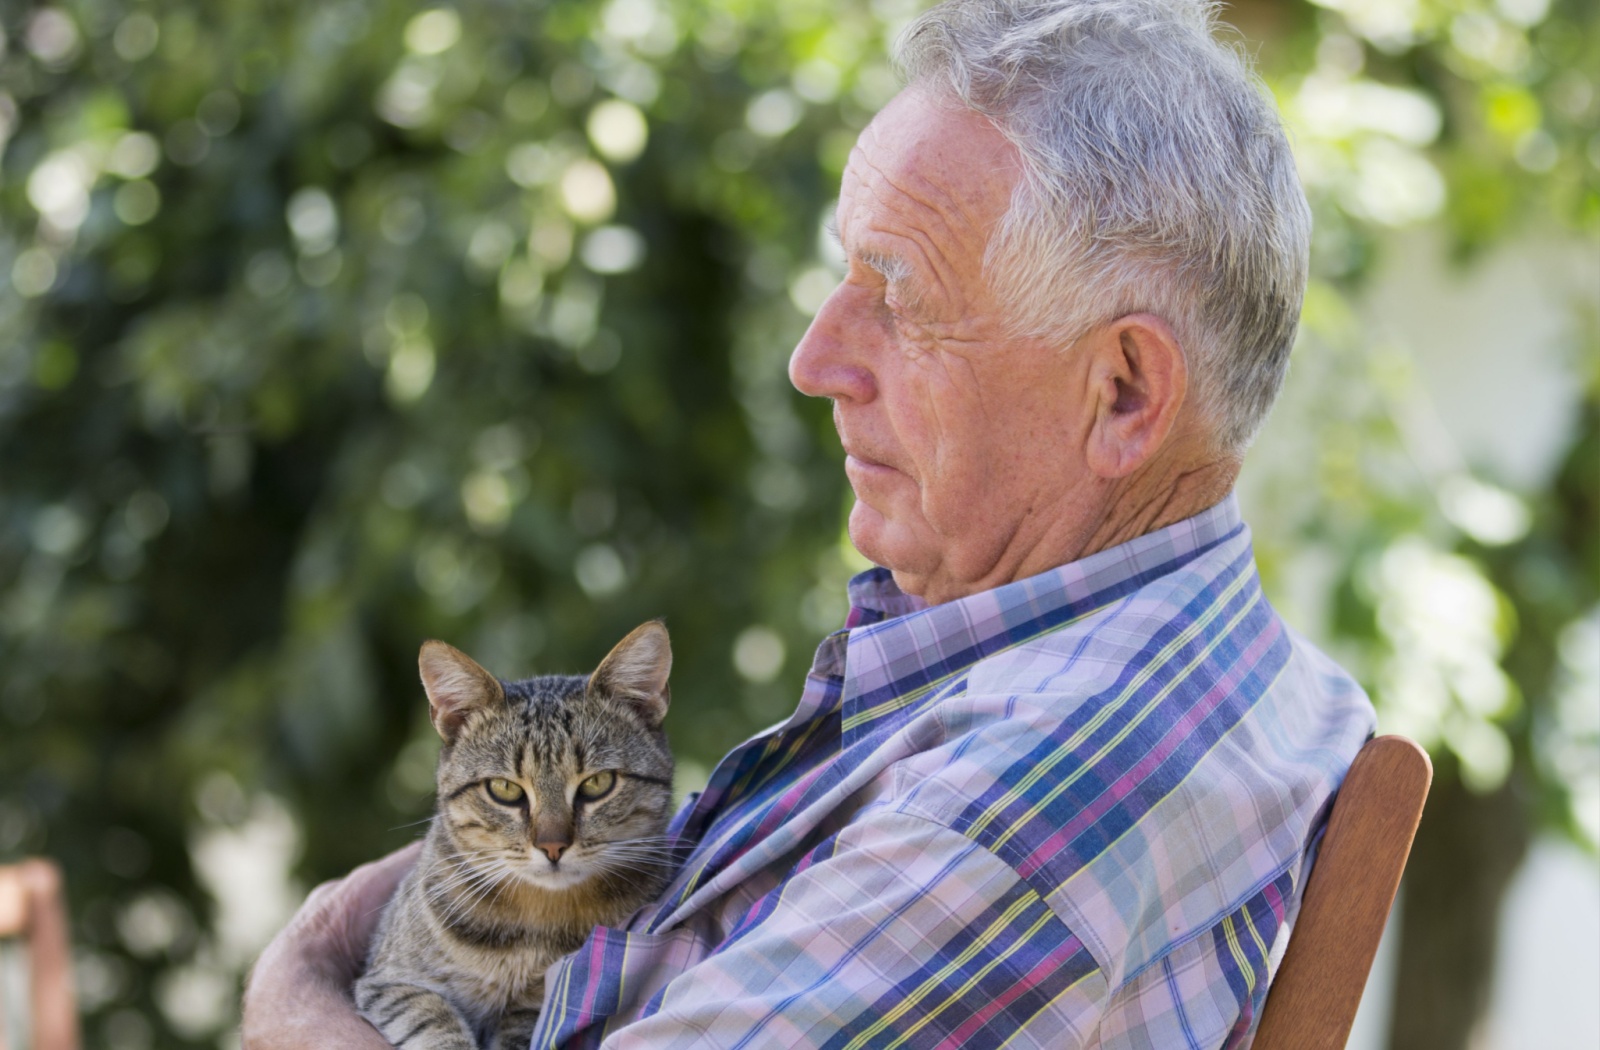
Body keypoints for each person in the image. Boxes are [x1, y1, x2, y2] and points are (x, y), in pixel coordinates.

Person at [243, 0, 1376, 1045]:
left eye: (898, 299)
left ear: (1123, 393)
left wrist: (293, 994)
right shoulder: (1246, 674)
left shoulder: (1012, 805)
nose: (814, 361)